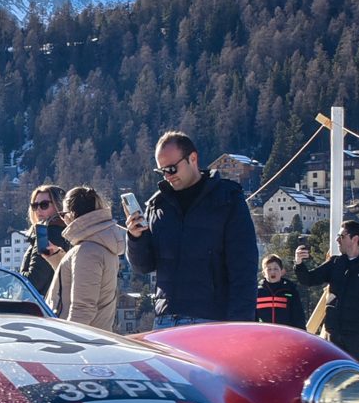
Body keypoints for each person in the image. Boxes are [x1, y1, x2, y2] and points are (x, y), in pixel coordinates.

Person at [126, 131, 257, 327]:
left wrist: (239, 327)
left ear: (192, 158)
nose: (168, 176)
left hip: (211, 321)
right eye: (162, 171)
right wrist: (135, 239)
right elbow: (144, 266)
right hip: (166, 320)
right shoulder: (157, 205)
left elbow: (244, 270)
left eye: (171, 168)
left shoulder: (228, 199)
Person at [294, 220, 359, 376]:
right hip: (334, 333)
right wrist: (299, 264)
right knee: (336, 379)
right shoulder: (335, 263)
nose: (337, 240)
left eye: (341, 236)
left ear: (355, 239)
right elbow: (309, 279)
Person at [44, 187, 125, 330]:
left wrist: (69, 340)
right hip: (97, 337)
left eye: (62, 214)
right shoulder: (101, 243)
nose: (63, 220)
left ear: (72, 215)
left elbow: (82, 308)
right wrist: (59, 259)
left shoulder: (87, 251)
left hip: (83, 343)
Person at [20, 185, 69, 297]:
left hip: (44, 305)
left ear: (58, 205)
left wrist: (13, 277)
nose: (38, 210)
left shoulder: (48, 233)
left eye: (44, 205)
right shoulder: (66, 232)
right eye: (34, 206)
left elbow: (34, 281)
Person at [255, 254, 307, 329]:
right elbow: (252, 315)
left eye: (276, 269)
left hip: (285, 334)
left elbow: (298, 316)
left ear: (282, 271)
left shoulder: (290, 290)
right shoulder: (257, 292)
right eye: (269, 269)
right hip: (262, 334)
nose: (272, 272)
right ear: (263, 273)